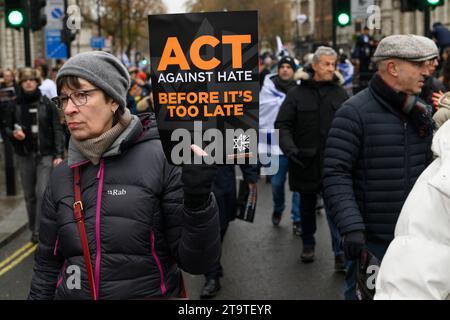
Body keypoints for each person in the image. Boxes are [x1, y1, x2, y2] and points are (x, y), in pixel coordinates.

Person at [28, 51, 221, 300]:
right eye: (64, 99)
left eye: (81, 95)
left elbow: (196, 262)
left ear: (114, 101)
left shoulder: (163, 160)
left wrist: (198, 202)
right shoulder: (61, 175)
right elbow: (47, 266)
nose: (69, 109)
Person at [323, 34, 436, 300]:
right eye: (418, 64)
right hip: (373, 241)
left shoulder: (420, 111)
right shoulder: (353, 112)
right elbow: (335, 174)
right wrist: (352, 228)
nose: (427, 71)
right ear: (393, 68)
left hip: (416, 238)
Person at [275, 46, 348, 270]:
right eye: (326, 64)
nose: (330, 68)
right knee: (307, 209)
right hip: (304, 162)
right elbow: (283, 125)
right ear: (314, 65)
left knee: (336, 210)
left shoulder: (340, 94)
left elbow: (351, 126)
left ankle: (340, 254)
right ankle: (308, 244)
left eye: (333, 64)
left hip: (334, 164)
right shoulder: (296, 94)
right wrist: (290, 149)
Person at [375, 119, 450, 300]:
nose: (421, 87)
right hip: (377, 223)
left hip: (408, 212)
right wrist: (351, 224)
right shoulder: (354, 112)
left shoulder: (421, 113)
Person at [3, 68, 64, 243]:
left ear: (37, 81)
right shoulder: (14, 104)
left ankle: (38, 231)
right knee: (29, 196)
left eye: (32, 79)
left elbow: (57, 129)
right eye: (25, 80)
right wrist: (13, 134)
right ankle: (33, 227)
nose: (29, 82)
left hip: (45, 155)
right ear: (21, 83)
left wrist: (58, 154)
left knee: (42, 192)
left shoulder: (47, 103)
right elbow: (6, 127)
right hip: (24, 155)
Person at [200, 164, 258, 299]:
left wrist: (251, 177)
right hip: (197, 182)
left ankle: (213, 269)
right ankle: (212, 276)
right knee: (208, 233)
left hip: (222, 182)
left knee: (219, 230)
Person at [259, 56, 301, 235]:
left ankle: (297, 219)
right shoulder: (267, 89)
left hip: (297, 146)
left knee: (299, 187)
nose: (285, 69)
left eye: (288, 67)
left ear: (293, 70)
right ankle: (278, 207)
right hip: (274, 147)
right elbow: (262, 114)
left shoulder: (301, 90)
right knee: (276, 184)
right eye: (282, 66)